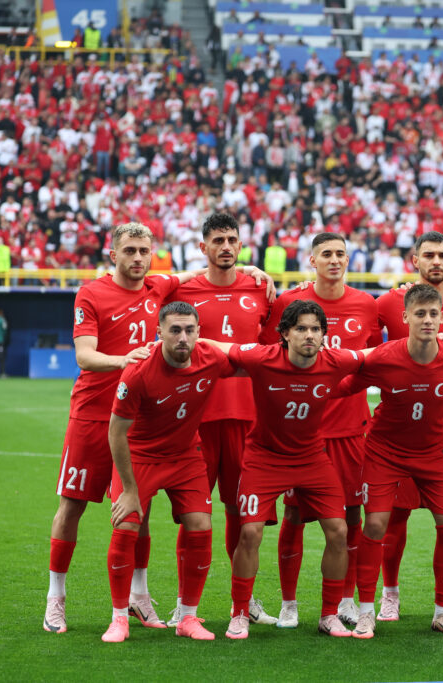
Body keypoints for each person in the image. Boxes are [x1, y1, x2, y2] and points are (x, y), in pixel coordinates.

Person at [43, 221, 273, 635]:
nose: (136, 258)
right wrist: (126, 361)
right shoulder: (91, 292)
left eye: (143, 251)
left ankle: (140, 596)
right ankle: (55, 598)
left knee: (139, 512)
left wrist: (256, 270)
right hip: (96, 414)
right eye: (128, 250)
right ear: (113, 254)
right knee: (72, 505)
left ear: (152, 255)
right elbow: (84, 355)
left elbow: (201, 272)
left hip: (142, 421)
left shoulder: (160, 287)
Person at [207, 300, 365, 639]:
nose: (309, 335)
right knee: (250, 533)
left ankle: (328, 614)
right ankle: (239, 612)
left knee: (339, 531)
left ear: (324, 335)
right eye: (301, 329)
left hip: (311, 457)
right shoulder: (261, 358)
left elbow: (378, 358)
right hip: (264, 458)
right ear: (284, 334)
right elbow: (224, 347)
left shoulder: (336, 360)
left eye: (315, 329)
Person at [337, 284, 443, 639]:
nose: (427, 320)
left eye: (433, 314)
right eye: (420, 314)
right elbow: (343, 385)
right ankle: (367, 612)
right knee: (376, 525)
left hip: (433, 453)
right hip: (385, 452)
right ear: (405, 318)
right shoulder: (383, 356)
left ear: (442, 318)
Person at [257, 232, 381, 627]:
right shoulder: (289, 304)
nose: (334, 259)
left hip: (349, 431)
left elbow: (375, 357)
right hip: (301, 433)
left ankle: (345, 600)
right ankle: (289, 604)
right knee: (293, 517)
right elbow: (268, 356)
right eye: (326, 253)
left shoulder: (367, 304)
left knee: (351, 516)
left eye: (340, 253)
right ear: (311, 260)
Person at [164, 212, 277, 628]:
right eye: (217, 240)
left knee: (241, 514)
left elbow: (271, 351)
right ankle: (183, 603)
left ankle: (241, 603)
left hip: (247, 416)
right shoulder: (182, 289)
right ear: (203, 247)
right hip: (195, 418)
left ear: (241, 245)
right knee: (195, 515)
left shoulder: (259, 287)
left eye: (232, 240)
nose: (226, 247)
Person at [103, 302, 236, 643]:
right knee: (127, 523)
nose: (183, 337)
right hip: (140, 456)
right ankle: (119, 617)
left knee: (200, 524)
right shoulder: (137, 372)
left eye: (190, 330)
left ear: (199, 333)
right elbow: (116, 432)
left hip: (184, 456)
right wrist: (129, 491)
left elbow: (253, 363)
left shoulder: (211, 358)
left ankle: (187, 617)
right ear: (158, 332)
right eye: (175, 330)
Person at [374, 231, 443, 622]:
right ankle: (390, 594)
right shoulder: (388, 302)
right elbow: (370, 352)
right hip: (399, 433)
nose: (436, 261)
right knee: (394, 517)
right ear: (413, 260)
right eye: (429, 255)